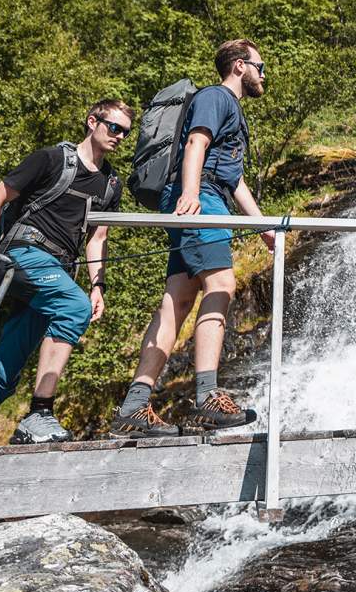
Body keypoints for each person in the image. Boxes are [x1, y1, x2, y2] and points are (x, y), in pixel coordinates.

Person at [0, 99, 131, 468]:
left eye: (125, 132)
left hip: (57, 273)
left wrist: (98, 286)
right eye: (114, 127)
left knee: (7, 369)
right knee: (74, 308)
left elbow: (97, 238)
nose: (119, 136)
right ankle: (39, 413)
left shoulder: (111, 185)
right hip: (22, 255)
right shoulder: (50, 160)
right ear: (92, 121)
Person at [111, 38, 276, 434]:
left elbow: (233, 179)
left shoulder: (230, 109)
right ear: (239, 66)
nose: (263, 75)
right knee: (221, 285)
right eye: (260, 66)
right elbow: (196, 142)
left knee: (178, 300)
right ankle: (207, 398)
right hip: (200, 198)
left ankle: (134, 405)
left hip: (205, 194)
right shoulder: (217, 97)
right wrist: (190, 193)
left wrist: (263, 227)